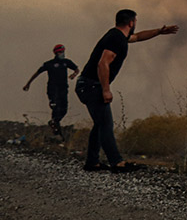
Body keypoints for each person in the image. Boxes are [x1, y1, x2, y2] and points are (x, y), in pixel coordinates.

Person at [76, 9, 179, 171]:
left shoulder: (118, 35)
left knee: (100, 124)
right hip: (92, 86)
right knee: (105, 125)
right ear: (131, 23)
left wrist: (159, 32)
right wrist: (106, 90)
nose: (135, 25)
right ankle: (117, 163)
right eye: (135, 22)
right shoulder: (116, 39)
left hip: (87, 85)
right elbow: (103, 63)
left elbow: (137, 37)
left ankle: (92, 162)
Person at [23, 44, 80, 137]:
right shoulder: (49, 64)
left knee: (64, 109)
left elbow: (76, 69)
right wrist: (28, 84)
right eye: (61, 52)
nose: (62, 54)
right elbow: (37, 73)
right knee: (55, 107)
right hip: (53, 89)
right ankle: (55, 129)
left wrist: (73, 75)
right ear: (56, 53)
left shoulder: (66, 62)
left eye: (63, 52)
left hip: (63, 88)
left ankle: (55, 122)